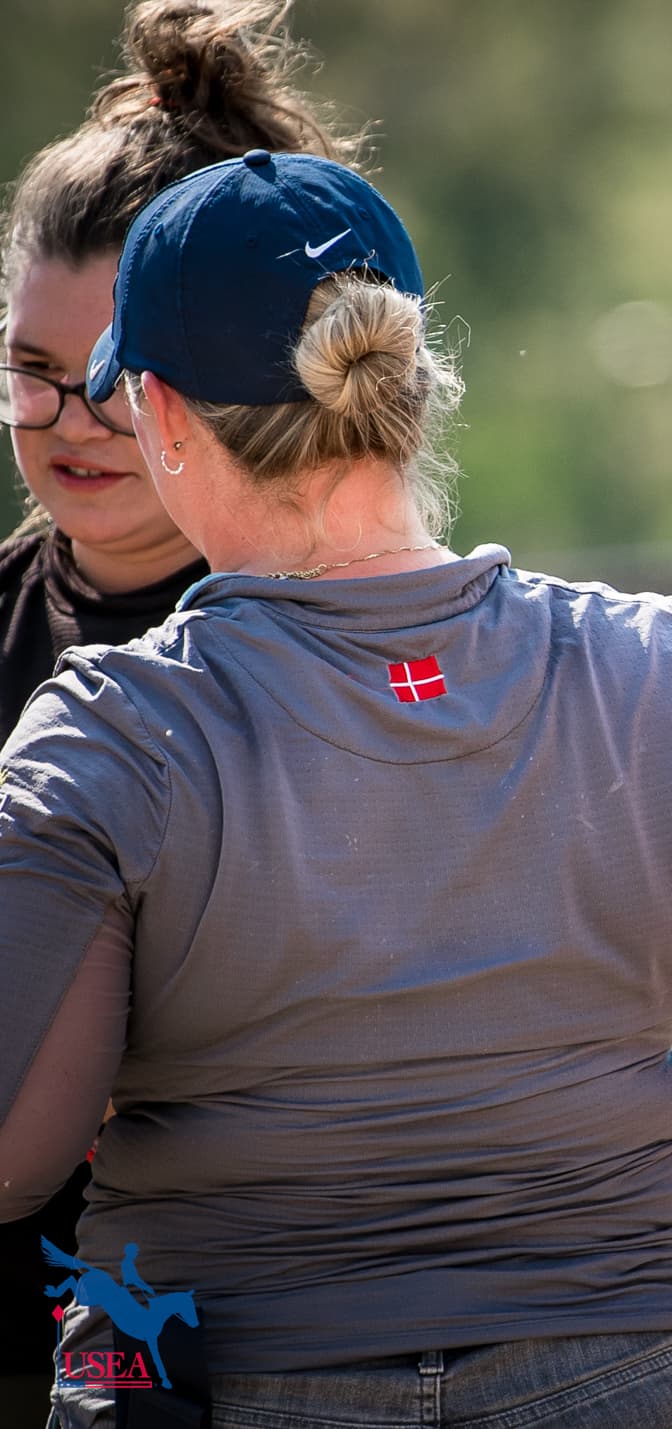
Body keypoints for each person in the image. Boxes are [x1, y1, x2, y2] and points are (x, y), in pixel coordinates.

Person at [0, 150, 672, 1429]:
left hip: (244, 1377)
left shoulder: (111, 733)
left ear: (162, 415)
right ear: (408, 387)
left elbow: (14, 1145)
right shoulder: (668, 679)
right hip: (643, 1373)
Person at [0, 3, 364, 1421]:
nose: (69, 423)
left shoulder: (345, 626)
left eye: (108, 379)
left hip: (288, 1330)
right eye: (31, 374)